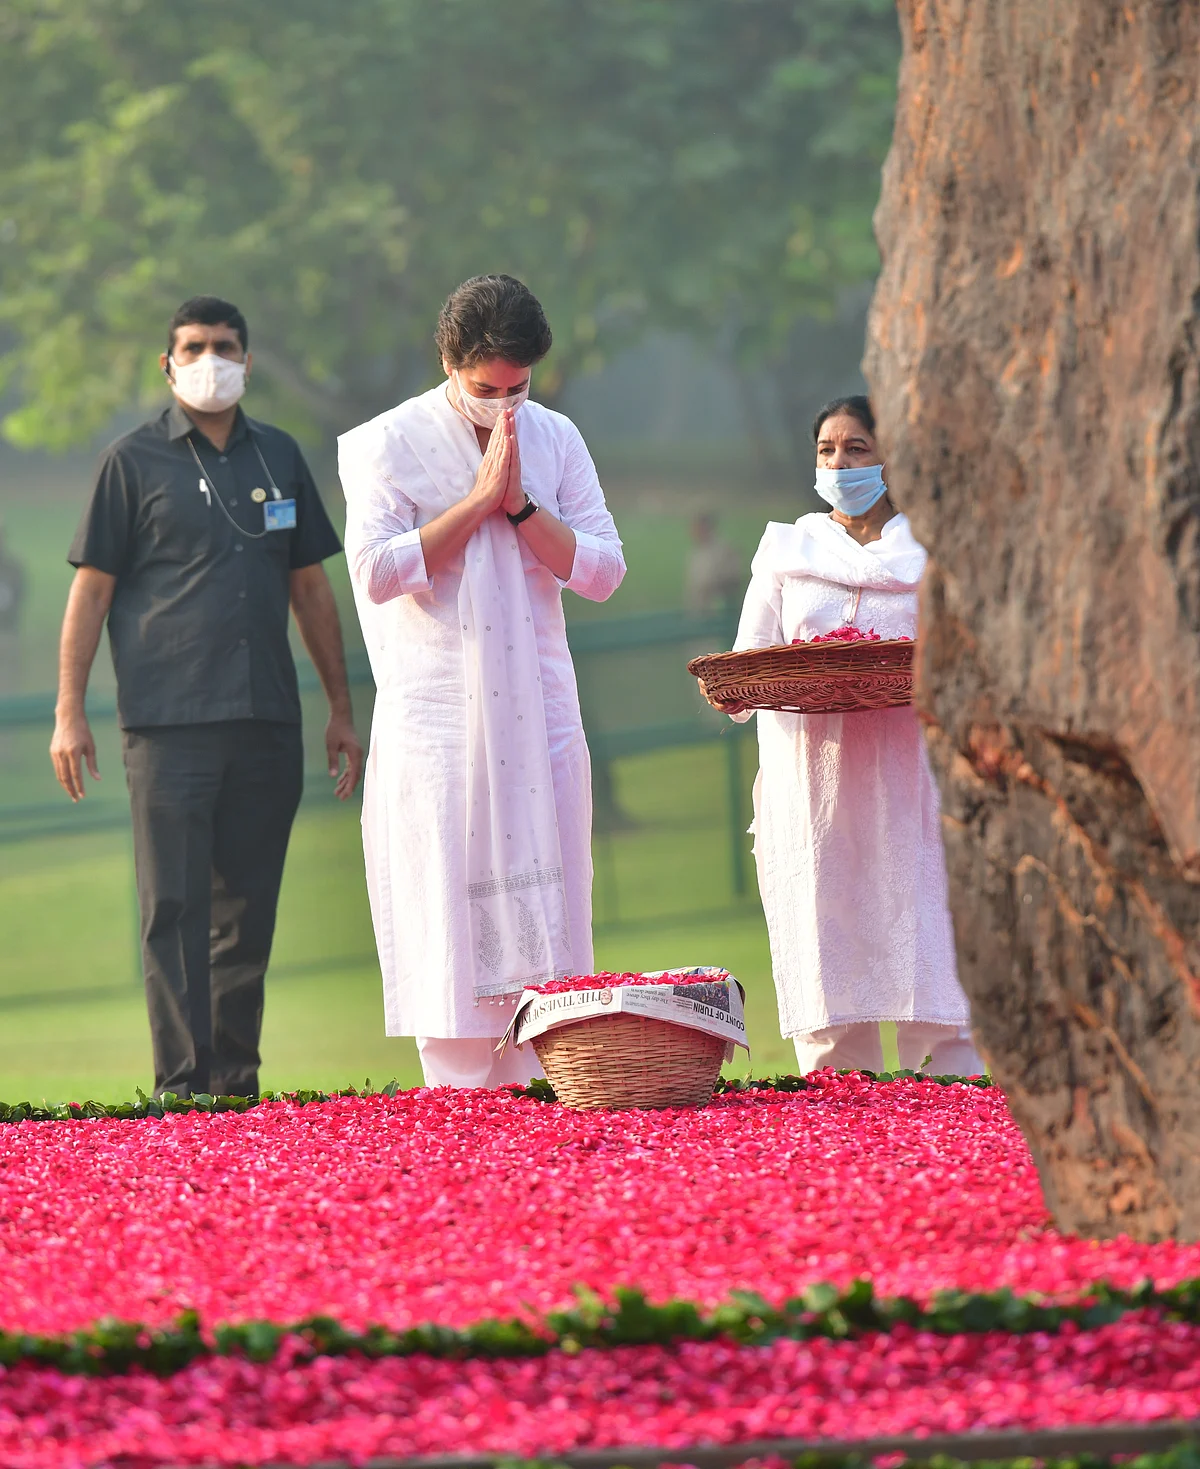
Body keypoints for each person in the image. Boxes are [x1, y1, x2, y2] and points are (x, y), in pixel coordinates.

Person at [50, 294, 364, 1099]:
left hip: (266, 718)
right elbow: (89, 593)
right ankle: (182, 1085)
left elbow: (311, 588)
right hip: (167, 725)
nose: (209, 359)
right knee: (175, 909)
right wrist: (68, 711)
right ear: (168, 362)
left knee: (246, 913)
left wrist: (339, 706)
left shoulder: (280, 459)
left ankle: (235, 1082)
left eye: (224, 345)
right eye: (192, 346)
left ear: (248, 361)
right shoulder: (131, 461)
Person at [338, 274, 625, 1089]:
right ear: (447, 360)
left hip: (541, 719)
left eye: (518, 388)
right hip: (438, 726)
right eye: (485, 388)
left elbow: (603, 570)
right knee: (450, 945)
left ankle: (555, 1097)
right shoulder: (385, 444)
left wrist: (526, 508)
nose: (504, 407)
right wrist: (475, 503)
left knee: (553, 941)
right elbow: (377, 571)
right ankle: (459, 1112)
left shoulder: (556, 437)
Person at [697, 395, 982, 1077]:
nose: (839, 462)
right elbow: (750, 659)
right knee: (829, 965)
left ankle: (952, 1123)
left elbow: (970, 660)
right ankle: (841, 1130)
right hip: (814, 791)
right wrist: (728, 691)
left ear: (890, 456)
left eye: (856, 448)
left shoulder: (934, 550)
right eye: (827, 449)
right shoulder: (788, 550)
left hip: (913, 783)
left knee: (932, 962)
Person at [684, 512, 743, 614]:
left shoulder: (724, 551)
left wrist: (711, 588)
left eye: (697, 528)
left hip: (717, 616)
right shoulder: (696, 553)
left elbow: (735, 581)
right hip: (698, 613)